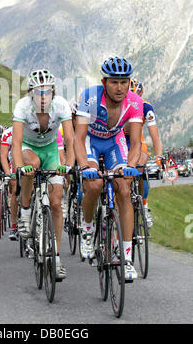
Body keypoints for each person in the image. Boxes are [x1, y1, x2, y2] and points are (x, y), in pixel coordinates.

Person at [74, 57, 143, 280]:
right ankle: (86, 229)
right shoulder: (90, 97)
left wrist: (131, 167)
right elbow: (78, 137)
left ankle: (127, 258)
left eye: (124, 82)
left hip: (115, 142)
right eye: (114, 82)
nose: (120, 87)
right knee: (94, 184)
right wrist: (84, 166)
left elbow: (135, 142)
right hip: (91, 141)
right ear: (104, 82)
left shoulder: (134, 102)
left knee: (124, 188)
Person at [12, 69, 75, 280]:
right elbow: (17, 141)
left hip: (50, 150)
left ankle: (56, 257)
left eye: (47, 92)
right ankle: (25, 210)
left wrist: (69, 165)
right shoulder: (22, 107)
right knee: (32, 165)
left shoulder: (61, 105)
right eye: (38, 92)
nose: (43, 97)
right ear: (31, 93)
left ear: (53, 93)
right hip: (28, 148)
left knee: (56, 202)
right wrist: (20, 167)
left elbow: (70, 140)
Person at [125, 78, 163, 227]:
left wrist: (159, 156)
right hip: (120, 141)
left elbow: (155, 137)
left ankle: (144, 206)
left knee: (140, 167)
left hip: (138, 143)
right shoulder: (116, 104)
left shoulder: (146, 107)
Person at [0, 125, 19, 240]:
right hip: (14, 163)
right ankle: (14, 225)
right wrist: (8, 173)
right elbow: (3, 156)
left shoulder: (31, 129)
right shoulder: (8, 133)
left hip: (30, 160)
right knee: (16, 190)